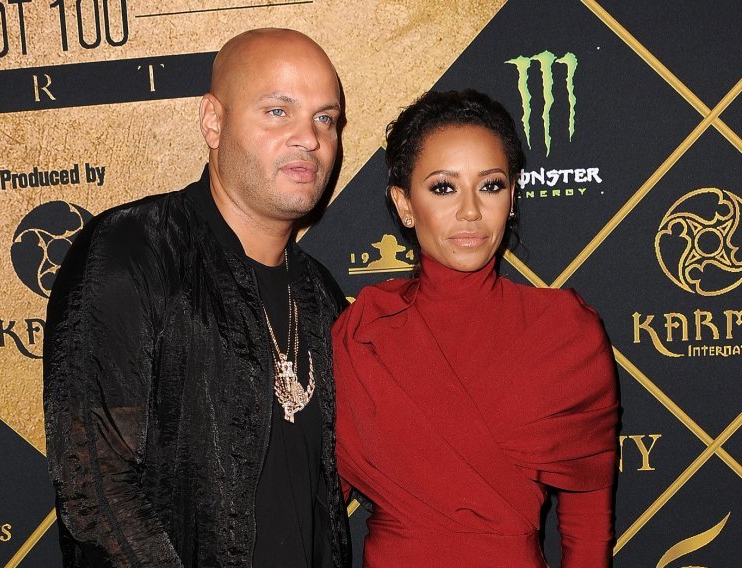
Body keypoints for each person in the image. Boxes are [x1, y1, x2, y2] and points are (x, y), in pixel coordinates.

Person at [44, 28, 351, 567]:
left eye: (325, 118)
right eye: (278, 111)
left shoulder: (322, 296)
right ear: (213, 121)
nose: (309, 137)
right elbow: (96, 485)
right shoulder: (132, 249)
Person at [333, 90, 619, 567]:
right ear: (404, 204)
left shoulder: (563, 333)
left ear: (512, 198)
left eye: (490, 185)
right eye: (444, 188)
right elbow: (317, 506)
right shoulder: (364, 333)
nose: (470, 211)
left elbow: (587, 525)